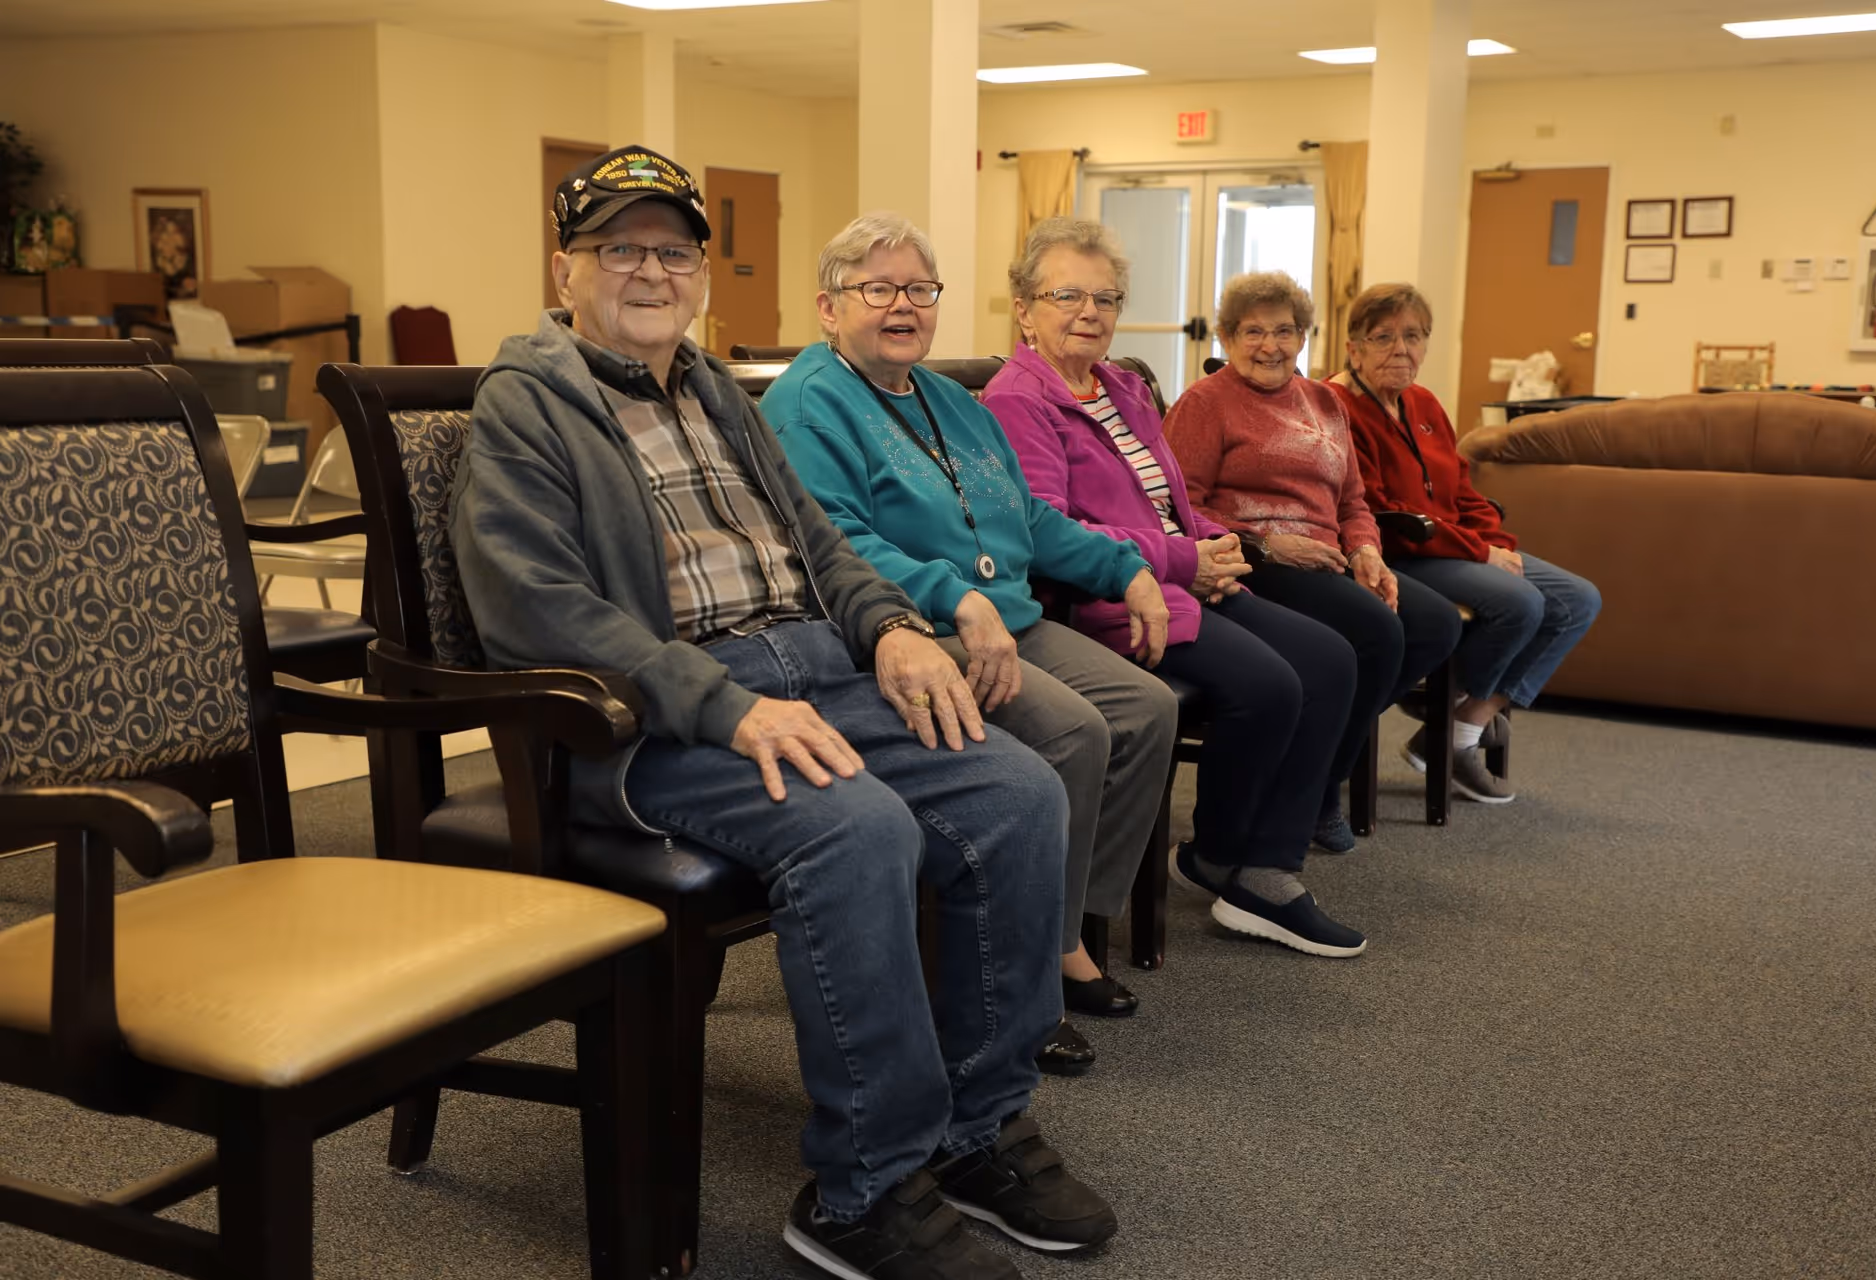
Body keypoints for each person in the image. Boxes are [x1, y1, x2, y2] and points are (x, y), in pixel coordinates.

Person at [450, 146, 1115, 1280]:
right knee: (859, 830)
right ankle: (864, 1187)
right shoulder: (525, 405)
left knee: (1018, 791)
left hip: (819, 671)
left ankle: (978, 1126)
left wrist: (897, 626)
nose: (651, 272)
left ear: (702, 273)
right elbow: (538, 607)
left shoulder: (718, 393)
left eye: (673, 250)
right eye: (620, 248)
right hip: (653, 720)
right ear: (565, 267)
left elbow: (819, 544)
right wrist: (726, 708)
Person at [760, 212, 1179, 1072]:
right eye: (877, 289)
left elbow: (1025, 517)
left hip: (1004, 619)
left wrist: (1124, 569)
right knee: (1073, 732)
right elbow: (831, 544)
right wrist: (954, 597)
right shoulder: (809, 404)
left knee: (1145, 708)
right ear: (829, 307)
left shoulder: (953, 397)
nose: (902, 306)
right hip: (901, 633)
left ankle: (1060, 927)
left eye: (919, 289)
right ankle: (1020, 973)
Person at [981, 219, 1370, 957]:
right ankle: (1229, 859)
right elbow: (1048, 533)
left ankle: (1265, 860)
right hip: (1112, 600)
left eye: (1106, 297)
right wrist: (1180, 560)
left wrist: (1205, 547)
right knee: (1273, 685)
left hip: (1181, 573)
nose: (1090, 311)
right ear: (1025, 308)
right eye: (1067, 294)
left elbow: (1169, 495)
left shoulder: (1122, 385)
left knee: (1333, 660)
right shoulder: (1015, 402)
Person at [1163, 271, 1463, 834]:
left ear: (1304, 337)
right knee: (1378, 633)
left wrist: (1368, 552)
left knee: (1435, 624)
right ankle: (1317, 791)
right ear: (1226, 338)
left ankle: (1318, 763)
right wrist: (1272, 544)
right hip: (1252, 557)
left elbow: (1352, 499)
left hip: (1329, 557)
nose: (1270, 346)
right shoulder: (1205, 404)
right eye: (1253, 331)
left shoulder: (1325, 401)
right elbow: (1180, 508)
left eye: (1284, 330)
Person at [1328, 282, 1602, 801]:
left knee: (1577, 600)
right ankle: (1442, 707)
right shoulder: (1337, 405)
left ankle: (1458, 727)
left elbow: (1461, 489)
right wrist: (1481, 553)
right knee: (1520, 603)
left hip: (1453, 547)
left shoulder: (1424, 402)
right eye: (1382, 336)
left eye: (1413, 336)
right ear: (1354, 347)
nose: (1400, 349)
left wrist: (1499, 545)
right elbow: (1383, 512)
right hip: (1397, 551)